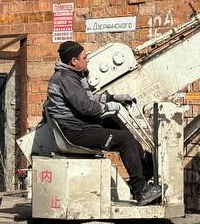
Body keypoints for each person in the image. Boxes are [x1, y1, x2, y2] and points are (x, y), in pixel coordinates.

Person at [46, 40, 162, 205]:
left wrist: (115, 98)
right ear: (73, 61)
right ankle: (140, 191)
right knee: (124, 140)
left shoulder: (72, 75)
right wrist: (108, 106)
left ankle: (143, 168)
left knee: (114, 121)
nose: (88, 60)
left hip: (81, 125)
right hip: (76, 131)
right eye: (84, 57)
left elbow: (90, 97)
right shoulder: (66, 79)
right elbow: (86, 107)